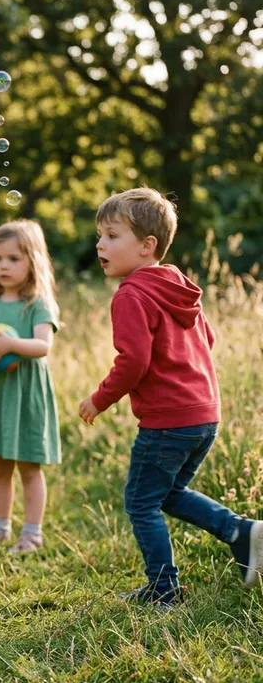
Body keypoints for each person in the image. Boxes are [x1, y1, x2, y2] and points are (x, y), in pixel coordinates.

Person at [78, 187, 263, 607]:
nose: (100, 244)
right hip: (204, 415)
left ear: (147, 246)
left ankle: (164, 588)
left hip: (168, 421)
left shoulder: (131, 294)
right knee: (168, 494)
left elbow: (133, 363)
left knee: (141, 502)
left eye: (111, 235)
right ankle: (241, 533)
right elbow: (207, 338)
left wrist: (99, 399)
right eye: (100, 235)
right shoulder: (178, 284)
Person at [0, 220, 61, 553]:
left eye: (13, 259)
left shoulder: (37, 303)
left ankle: (32, 533)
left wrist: (11, 344)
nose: (3, 265)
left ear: (33, 260)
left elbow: (43, 345)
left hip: (24, 393)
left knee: (29, 465)